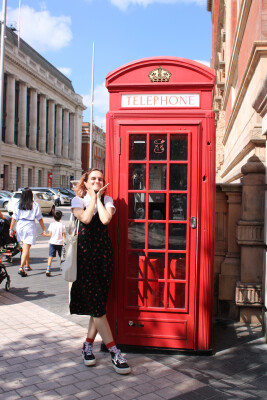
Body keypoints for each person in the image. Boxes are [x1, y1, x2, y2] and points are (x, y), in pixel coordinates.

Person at [71, 168, 131, 375]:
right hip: (85, 254)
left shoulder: (108, 200)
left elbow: (105, 220)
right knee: (96, 305)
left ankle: (87, 345)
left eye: (100, 179)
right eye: (93, 179)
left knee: (98, 304)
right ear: (85, 182)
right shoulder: (77, 201)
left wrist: (99, 199)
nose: (97, 181)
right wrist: (93, 197)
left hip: (104, 255)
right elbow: (86, 219)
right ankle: (115, 352)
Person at [9, 187, 46, 277]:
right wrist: (44, 229)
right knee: (26, 247)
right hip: (29, 225)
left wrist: (10, 229)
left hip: (20, 225)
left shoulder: (18, 204)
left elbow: (14, 218)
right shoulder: (35, 205)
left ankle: (27, 265)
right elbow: (40, 218)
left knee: (26, 246)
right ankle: (21, 267)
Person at [43, 210, 66, 276]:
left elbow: (50, 234)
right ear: (61, 217)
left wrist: (45, 235)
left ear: (53, 217)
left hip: (52, 242)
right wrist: (64, 243)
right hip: (60, 243)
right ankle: (63, 268)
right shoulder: (62, 225)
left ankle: (48, 268)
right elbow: (63, 236)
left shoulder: (52, 224)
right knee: (61, 257)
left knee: (50, 256)